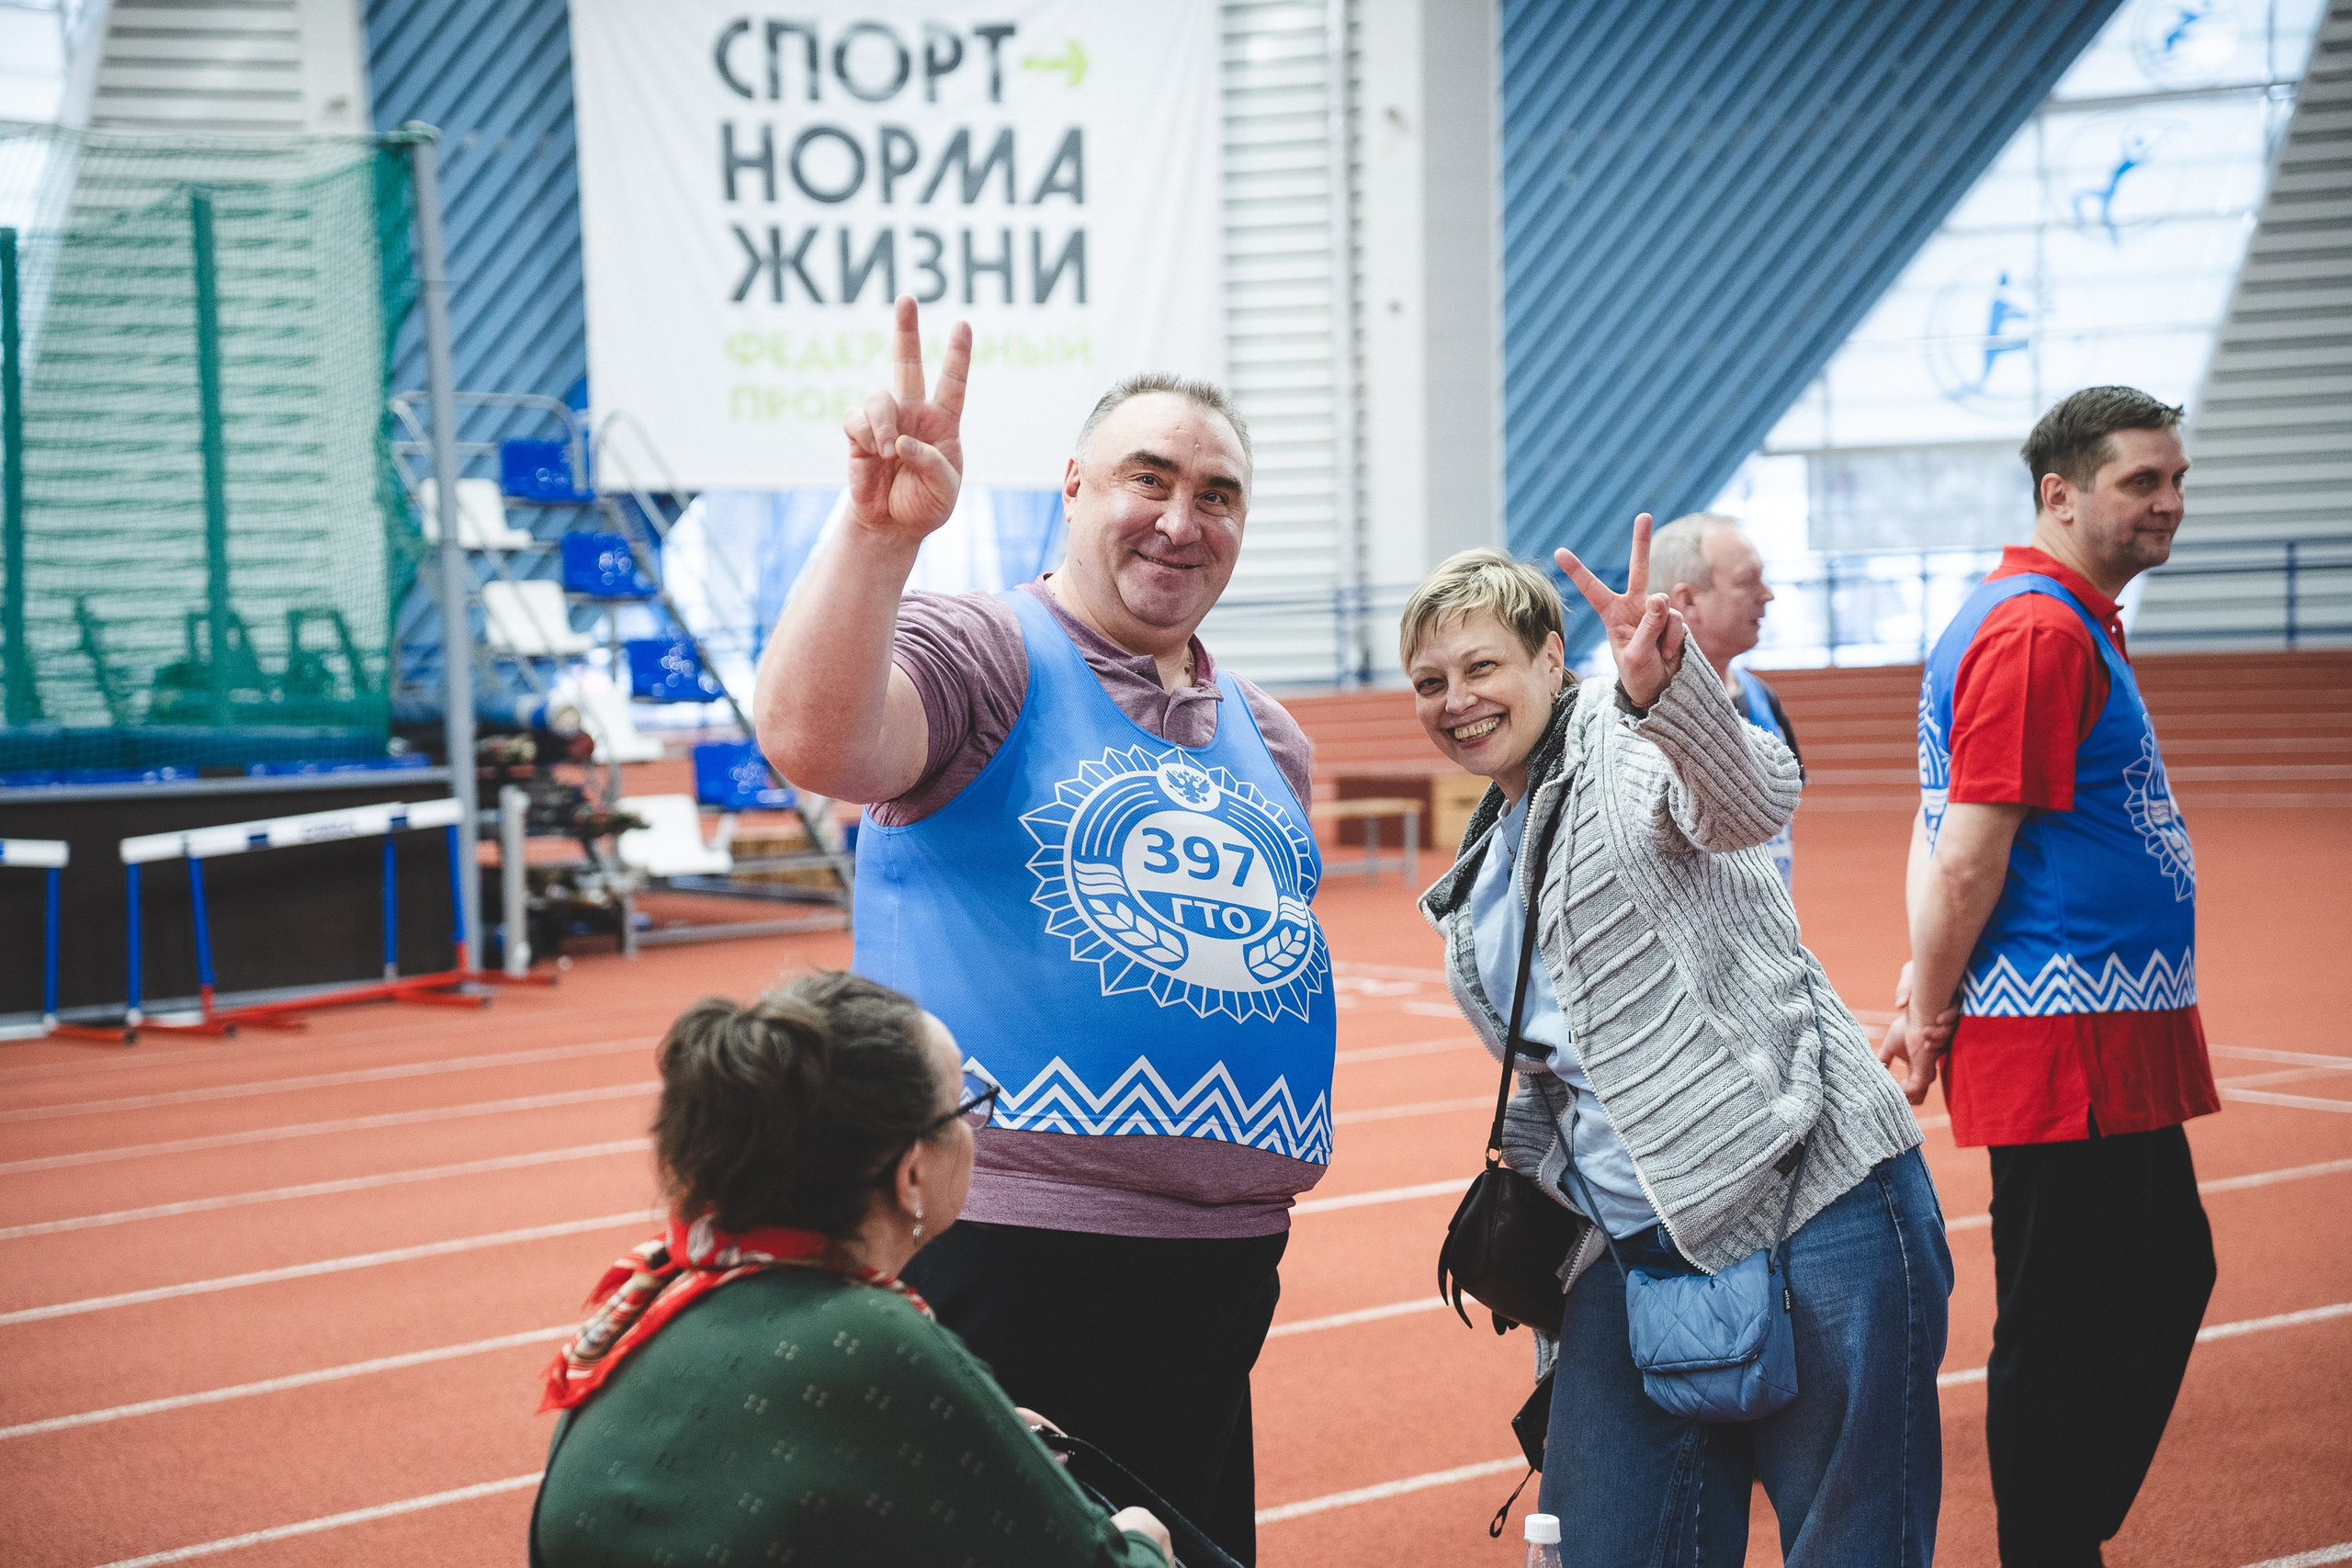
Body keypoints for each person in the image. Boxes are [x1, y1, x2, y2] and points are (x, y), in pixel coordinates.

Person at [752, 296, 1333, 1565]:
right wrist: (872, 532)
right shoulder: (986, 650)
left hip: (1218, 1271)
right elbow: (814, 736)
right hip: (1009, 1250)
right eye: (1150, 477)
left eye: (1219, 493)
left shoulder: (1269, 734)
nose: (1184, 519)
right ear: (1075, 487)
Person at [1404, 529, 1950, 1568]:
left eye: (1481, 666)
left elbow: (1747, 801)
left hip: (1815, 1203)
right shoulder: (1481, 865)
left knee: (1853, 1550)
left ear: (1550, 662)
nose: (1456, 698)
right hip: (1635, 1251)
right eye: (1430, 680)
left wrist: (1667, 697)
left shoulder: (1619, 739)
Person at [1879, 386, 2219, 1568]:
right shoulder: (2034, 631)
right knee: (2076, 1315)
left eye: (2176, 480)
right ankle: (2050, 1544)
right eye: (2141, 482)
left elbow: (1938, 831)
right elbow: (1967, 848)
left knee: (2139, 1285)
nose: (2168, 503)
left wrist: (1921, 993)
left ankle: (2059, 1534)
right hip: (2063, 1026)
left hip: (2099, 1021)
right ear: (2058, 494)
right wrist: (1926, 1012)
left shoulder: (2060, 620)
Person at [530, 972, 1172, 1568]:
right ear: (911, 1172)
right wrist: (1144, 1535)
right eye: (964, 1106)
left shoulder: (660, 1285)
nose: (977, 1129)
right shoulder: (870, 1334)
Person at [1649, 512, 1802, 889]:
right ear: (1687, 601)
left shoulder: (1761, 697)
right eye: (1747, 582)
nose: (1767, 595)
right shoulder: (1642, 720)